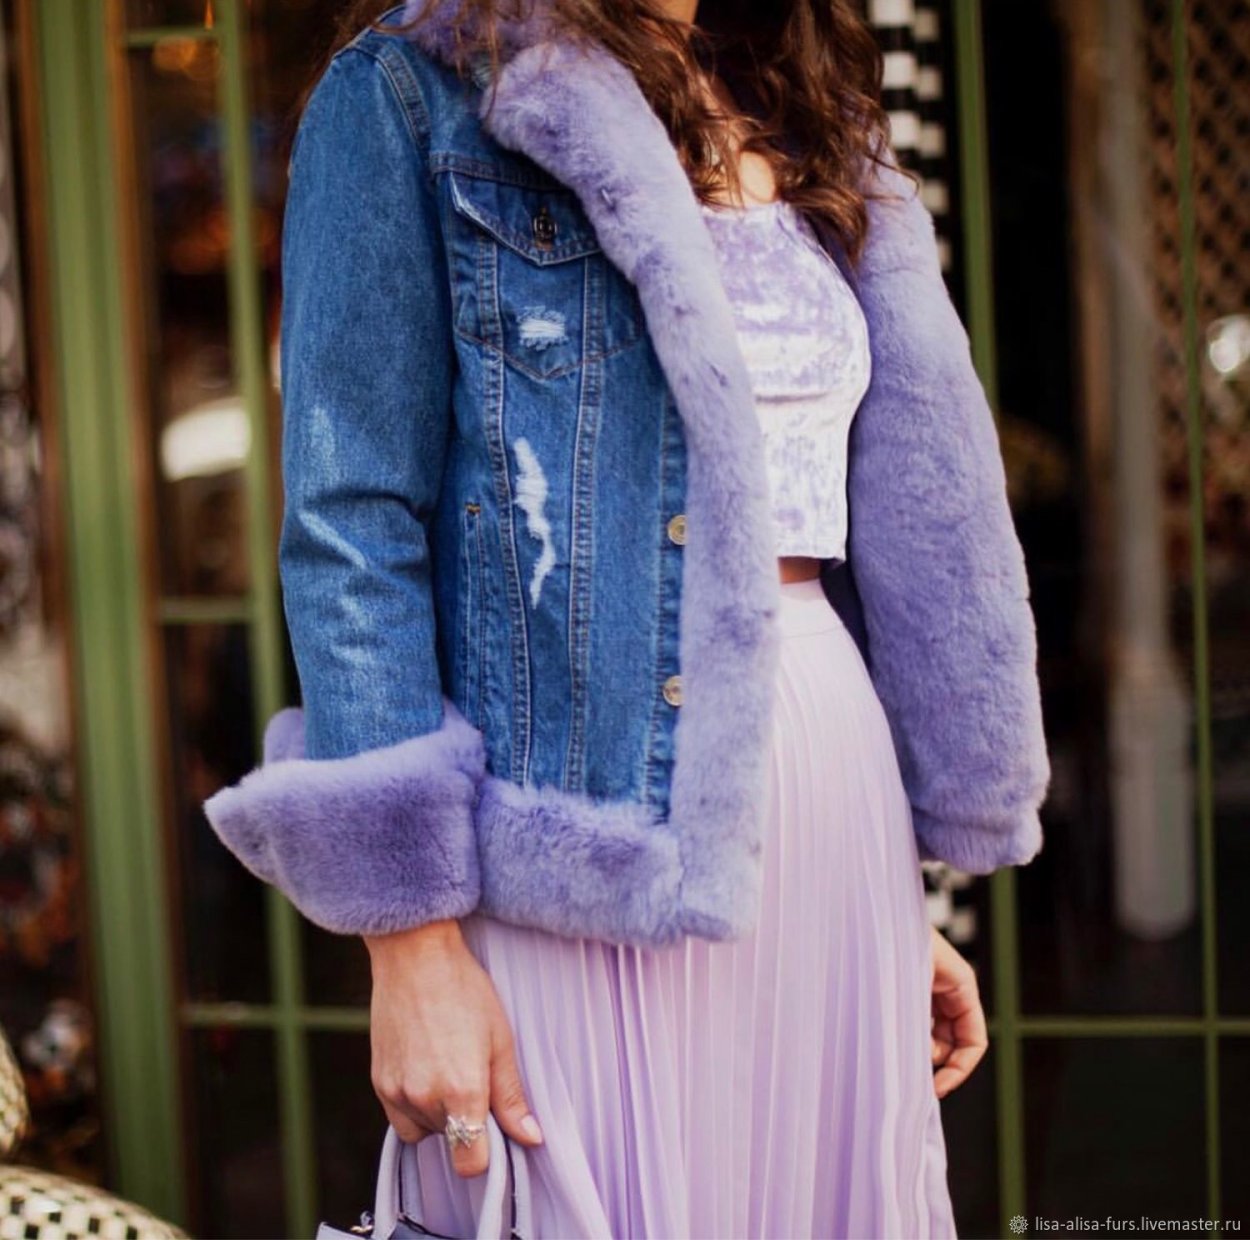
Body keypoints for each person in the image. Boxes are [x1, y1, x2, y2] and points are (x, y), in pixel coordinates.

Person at [204, 0, 1052, 1234]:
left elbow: (841, 506)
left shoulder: (802, 107)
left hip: (822, 812)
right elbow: (352, 525)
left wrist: (888, 912)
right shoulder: (410, 93)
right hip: (574, 842)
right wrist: (409, 942)